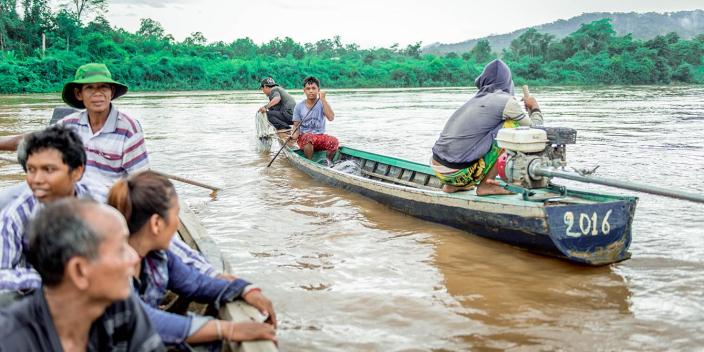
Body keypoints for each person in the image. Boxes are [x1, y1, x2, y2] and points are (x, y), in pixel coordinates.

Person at [0, 62, 220, 279]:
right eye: (90, 88)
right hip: (70, 193)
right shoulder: (69, 125)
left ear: (111, 92)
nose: (98, 94)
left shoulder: (128, 128)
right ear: (79, 94)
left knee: (151, 226)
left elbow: (139, 181)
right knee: (8, 201)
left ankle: (202, 269)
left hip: (108, 199)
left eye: (103, 88)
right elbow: (32, 142)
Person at [107, 171, 276, 349]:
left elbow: (196, 283)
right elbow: (143, 319)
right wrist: (227, 329)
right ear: (156, 224)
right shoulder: (109, 268)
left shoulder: (157, 257)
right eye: (176, 214)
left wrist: (246, 290)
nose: (178, 224)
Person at [0, 198, 164, 351]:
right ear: (78, 271)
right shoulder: (11, 342)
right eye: (121, 249)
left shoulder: (120, 305)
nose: (134, 258)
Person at [0, 125, 94, 304]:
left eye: (48, 170)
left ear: (77, 172)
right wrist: (51, 280)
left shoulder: (99, 203)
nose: (36, 180)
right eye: (31, 170)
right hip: (42, 301)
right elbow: (2, 273)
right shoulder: (16, 215)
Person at [430, 59, 544, 195]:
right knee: (511, 127)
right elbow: (536, 131)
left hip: (438, 169)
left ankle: (452, 187)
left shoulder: (475, 100)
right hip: (460, 173)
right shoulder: (507, 101)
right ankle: (486, 186)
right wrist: (534, 107)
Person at [291, 76, 338, 165]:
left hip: (319, 137)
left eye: (313, 88)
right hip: (304, 138)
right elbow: (296, 126)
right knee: (308, 137)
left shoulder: (322, 103)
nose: (311, 91)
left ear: (318, 90)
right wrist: (293, 137)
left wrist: (323, 99)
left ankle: (329, 163)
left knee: (334, 141)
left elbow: (331, 118)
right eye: (308, 88)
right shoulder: (299, 106)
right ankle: (310, 162)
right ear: (304, 90)